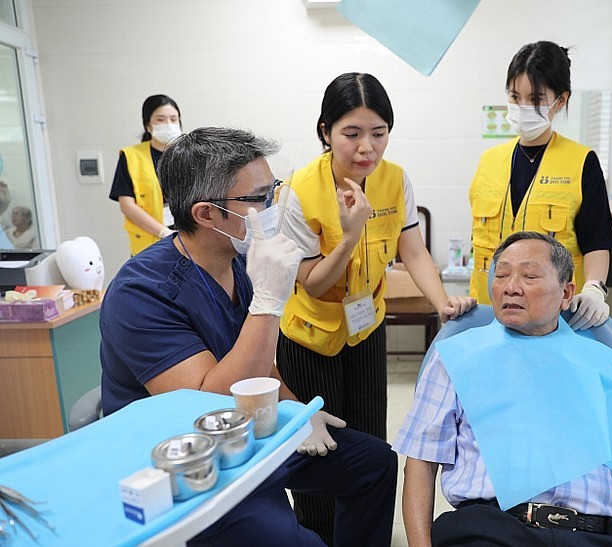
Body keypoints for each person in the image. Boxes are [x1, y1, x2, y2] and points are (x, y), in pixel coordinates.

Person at [99, 127, 397, 546]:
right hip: (186, 461)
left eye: (272, 189)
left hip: (244, 430)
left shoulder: (238, 260)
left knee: (374, 463)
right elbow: (204, 403)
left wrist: (297, 411)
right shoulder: (142, 292)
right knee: (293, 538)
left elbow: (260, 364)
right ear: (206, 214)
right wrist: (270, 301)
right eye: (258, 198)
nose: (272, 206)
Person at [278, 72, 475, 543]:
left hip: (365, 331)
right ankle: (320, 538)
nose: (367, 147)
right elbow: (314, 282)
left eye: (379, 132)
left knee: (369, 447)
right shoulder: (298, 191)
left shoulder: (394, 180)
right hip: (310, 337)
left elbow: (413, 250)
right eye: (351, 133)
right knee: (320, 453)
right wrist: (349, 235)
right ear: (325, 131)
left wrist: (442, 302)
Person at [396, 231, 612, 547]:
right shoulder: (457, 358)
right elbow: (420, 462)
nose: (511, 287)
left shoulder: (608, 366)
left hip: (594, 535)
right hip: (492, 531)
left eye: (529, 276)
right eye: (501, 275)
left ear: (566, 293)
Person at [468, 41, 612, 330]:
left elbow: (597, 240)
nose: (523, 107)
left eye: (535, 99)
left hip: (553, 319)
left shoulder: (580, 161)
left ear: (560, 100)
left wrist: (594, 288)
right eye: (515, 96)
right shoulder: (489, 162)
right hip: (490, 315)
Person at [109, 94, 182, 256]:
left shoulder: (189, 154)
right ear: (148, 125)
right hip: (149, 243)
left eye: (173, 119)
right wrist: (163, 232)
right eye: (160, 120)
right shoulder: (131, 156)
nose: (168, 124)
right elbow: (127, 205)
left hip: (187, 240)